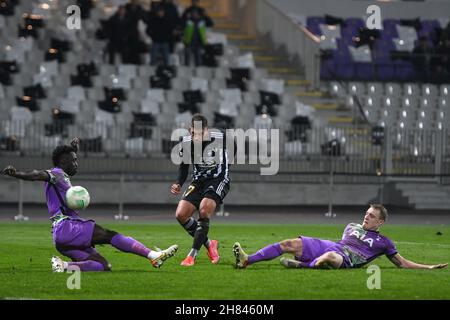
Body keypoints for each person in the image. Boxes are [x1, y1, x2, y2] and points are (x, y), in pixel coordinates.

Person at [2, 138, 178, 272]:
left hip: (61, 237)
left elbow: (47, 173)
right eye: (74, 160)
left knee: (103, 265)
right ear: (63, 163)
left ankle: (63, 265)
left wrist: (73, 150)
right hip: (67, 227)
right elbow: (36, 174)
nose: (76, 163)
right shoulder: (56, 173)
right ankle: (154, 256)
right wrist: (17, 174)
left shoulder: (61, 176)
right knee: (109, 235)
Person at [233, 204, 448, 270]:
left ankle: (303, 265)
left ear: (380, 222)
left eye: (371, 216)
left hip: (348, 258)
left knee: (330, 258)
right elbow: (339, 243)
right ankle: (247, 260)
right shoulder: (351, 226)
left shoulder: (384, 242)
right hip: (333, 245)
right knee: (289, 243)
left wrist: (427, 267)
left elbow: (401, 263)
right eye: (366, 213)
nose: (366, 216)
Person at [170, 114, 231, 266]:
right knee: (181, 214)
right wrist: (179, 182)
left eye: (199, 133)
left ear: (206, 130)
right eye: (193, 133)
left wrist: (228, 164)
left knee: (204, 210)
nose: (196, 137)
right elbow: (183, 167)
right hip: (198, 181)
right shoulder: (185, 142)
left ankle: (192, 255)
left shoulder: (220, 136)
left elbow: (234, 145)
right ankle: (210, 244)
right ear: (190, 130)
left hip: (218, 179)